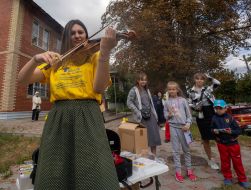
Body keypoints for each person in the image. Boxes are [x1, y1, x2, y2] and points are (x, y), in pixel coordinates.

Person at [18, 20, 120, 189]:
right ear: (66, 37)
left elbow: (99, 87)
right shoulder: (56, 61)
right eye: (72, 33)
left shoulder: (95, 56)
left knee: (93, 170)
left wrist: (105, 53)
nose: (77, 35)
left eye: (81, 32)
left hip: (88, 117)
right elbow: (22, 79)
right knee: (56, 171)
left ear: (87, 35)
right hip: (59, 119)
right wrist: (36, 58)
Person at [211, 100, 251, 188]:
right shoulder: (214, 118)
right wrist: (215, 132)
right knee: (225, 162)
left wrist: (231, 132)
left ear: (225, 108)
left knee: (237, 162)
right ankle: (227, 178)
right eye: (216, 108)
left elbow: (239, 130)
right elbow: (211, 130)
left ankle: (242, 179)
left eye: (220, 108)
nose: (218, 110)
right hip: (221, 144)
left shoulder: (230, 118)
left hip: (233, 144)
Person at [164, 81, 197, 183]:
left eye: (173, 89)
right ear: (168, 91)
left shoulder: (183, 100)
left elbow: (189, 116)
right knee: (175, 151)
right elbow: (165, 116)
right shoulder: (167, 102)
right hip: (173, 128)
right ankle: (178, 172)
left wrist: (187, 124)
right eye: (169, 89)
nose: (171, 91)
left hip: (184, 129)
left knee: (186, 150)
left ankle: (189, 170)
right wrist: (169, 115)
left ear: (177, 90)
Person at [188, 73, 220, 170]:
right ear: (194, 80)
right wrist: (195, 106)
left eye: (202, 79)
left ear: (204, 80)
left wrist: (209, 77)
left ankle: (224, 157)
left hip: (211, 113)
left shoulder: (208, 88)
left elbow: (217, 83)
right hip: (201, 115)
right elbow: (189, 103)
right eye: (197, 79)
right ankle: (211, 160)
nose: (199, 81)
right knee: (205, 139)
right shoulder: (190, 91)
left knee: (218, 136)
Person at [127, 72, 161, 155]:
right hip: (141, 117)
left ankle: (154, 157)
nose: (143, 82)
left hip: (151, 115)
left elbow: (150, 103)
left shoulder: (147, 90)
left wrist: (154, 114)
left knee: (154, 137)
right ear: (138, 80)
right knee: (143, 139)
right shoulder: (134, 90)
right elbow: (129, 102)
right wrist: (138, 112)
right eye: (141, 80)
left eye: (145, 80)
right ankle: (144, 158)